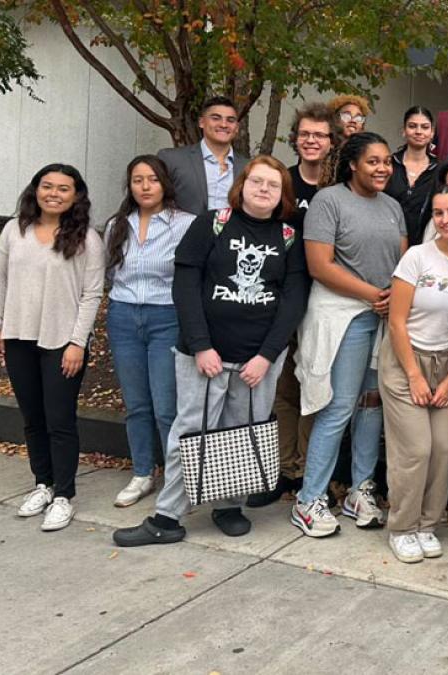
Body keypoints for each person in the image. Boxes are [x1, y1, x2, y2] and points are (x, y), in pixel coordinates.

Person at [113, 155, 307, 546]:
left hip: (258, 360)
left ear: (282, 194)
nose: (264, 189)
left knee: (241, 432)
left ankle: (229, 506)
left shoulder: (288, 238)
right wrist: (201, 346)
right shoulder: (212, 224)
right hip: (204, 356)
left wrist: (266, 356)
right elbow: (185, 285)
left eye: (273, 184)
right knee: (191, 431)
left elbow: (293, 300)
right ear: (243, 185)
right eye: (257, 181)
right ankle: (167, 518)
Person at [292, 132, 407, 538]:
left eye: (386, 162)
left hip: (383, 318)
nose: (382, 168)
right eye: (373, 161)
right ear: (353, 164)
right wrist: (371, 294)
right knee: (339, 407)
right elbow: (319, 265)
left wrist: (391, 296)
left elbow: (403, 263)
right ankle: (309, 499)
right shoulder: (328, 201)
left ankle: (360, 490)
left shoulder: (393, 207)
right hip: (346, 316)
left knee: (371, 406)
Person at [0, 164, 104, 532]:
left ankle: (63, 495)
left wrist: (77, 343)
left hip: (61, 342)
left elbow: (91, 295)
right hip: (19, 336)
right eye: (47, 186)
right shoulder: (14, 229)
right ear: (35, 190)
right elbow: (0, 279)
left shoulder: (87, 238)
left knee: (59, 421)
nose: (53, 193)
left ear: (76, 195)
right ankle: (43, 483)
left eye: (63, 188)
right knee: (32, 419)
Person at [380, 185, 448, 563]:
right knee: (415, 448)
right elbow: (396, 322)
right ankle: (402, 526)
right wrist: (413, 374)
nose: (446, 220)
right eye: (439, 213)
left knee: (442, 449)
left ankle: (427, 524)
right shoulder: (415, 258)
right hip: (405, 359)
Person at [248, 102, 337, 508]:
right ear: (295, 139)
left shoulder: (338, 186)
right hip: (278, 297)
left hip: (326, 300)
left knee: (314, 387)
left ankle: (307, 471)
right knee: (282, 388)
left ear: (331, 141)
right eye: (305, 134)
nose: (312, 141)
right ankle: (283, 470)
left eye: (320, 135)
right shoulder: (280, 183)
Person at [103, 156, 196, 508]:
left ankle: (176, 476)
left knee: (165, 406)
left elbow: (191, 276)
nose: (144, 186)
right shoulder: (117, 225)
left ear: (164, 184)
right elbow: (110, 275)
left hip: (166, 317)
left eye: (152, 180)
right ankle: (142, 472)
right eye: (137, 180)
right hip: (123, 316)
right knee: (136, 403)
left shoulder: (184, 224)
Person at [158, 96, 249, 215]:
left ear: (236, 128)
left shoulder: (248, 167)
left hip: (234, 232)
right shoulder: (172, 159)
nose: (223, 124)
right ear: (201, 122)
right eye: (216, 118)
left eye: (230, 120)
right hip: (184, 232)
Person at [386, 106, 439, 245]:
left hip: (424, 247)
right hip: (387, 243)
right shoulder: (388, 164)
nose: (419, 131)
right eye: (412, 126)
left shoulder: (439, 170)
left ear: (432, 132)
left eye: (425, 127)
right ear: (404, 131)